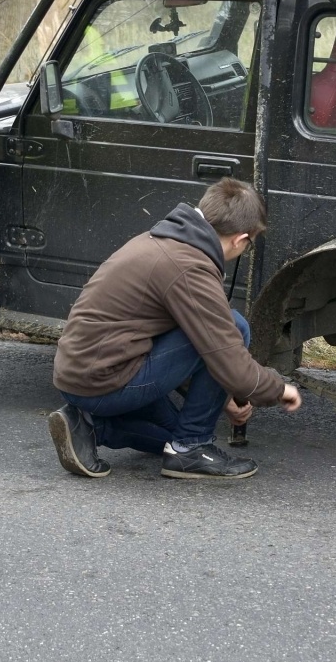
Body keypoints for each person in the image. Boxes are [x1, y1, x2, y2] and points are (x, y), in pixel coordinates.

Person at [48, 178, 303, 480]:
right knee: (234, 326)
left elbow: (186, 347)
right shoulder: (188, 266)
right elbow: (226, 356)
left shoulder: (165, 240)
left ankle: (93, 426)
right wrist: (279, 388)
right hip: (105, 380)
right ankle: (191, 449)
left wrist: (223, 398)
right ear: (240, 239)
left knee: (171, 434)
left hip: (83, 374)